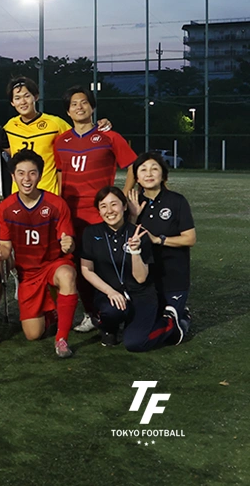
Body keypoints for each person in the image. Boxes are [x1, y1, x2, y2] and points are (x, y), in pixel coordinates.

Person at [53, 85, 137, 333]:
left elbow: (132, 165)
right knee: (79, 266)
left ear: (92, 107)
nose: (79, 107)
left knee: (108, 265)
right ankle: (91, 313)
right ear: (68, 111)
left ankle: (120, 309)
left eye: (84, 102)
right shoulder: (61, 141)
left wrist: (123, 197)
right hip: (71, 215)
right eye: (74, 104)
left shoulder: (109, 136)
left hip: (101, 215)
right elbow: (60, 174)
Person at [0, 150, 78, 358]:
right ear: (13, 176)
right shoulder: (5, 208)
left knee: (67, 275)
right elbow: (5, 246)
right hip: (28, 273)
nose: (27, 179)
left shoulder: (56, 204)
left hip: (53, 264)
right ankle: (51, 314)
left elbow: (68, 243)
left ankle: (62, 339)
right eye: (21, 173)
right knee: (33, 334)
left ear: (40, 176)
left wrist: (69, 244)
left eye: (32, 173)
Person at [79, 186, 186, 350]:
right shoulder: (91, 233)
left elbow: (141, 278)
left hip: (140, 294)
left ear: (124, 206)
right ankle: (110, 329)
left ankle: (173, 322)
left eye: (114, 204)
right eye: (103, 206)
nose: (109, 211)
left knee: (135, 343)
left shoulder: (139, 234)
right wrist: (110, 291)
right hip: (110, 294)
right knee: (110, 311)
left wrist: (135, 252)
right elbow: (87, 270)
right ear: (99, 211)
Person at [127, 152, 196, 315]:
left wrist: (158, 240)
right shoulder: (132, 203)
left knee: (167, 322)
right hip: (144, 279)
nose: (149, 174)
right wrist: (133, 216)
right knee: (142, 323)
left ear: (163, 175)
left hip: (174, 278)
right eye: (143, 170)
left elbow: (190, 239)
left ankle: (182, 317)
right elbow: (127, 241)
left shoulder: (177, 201)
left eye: (154, 169)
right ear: (137, 178)